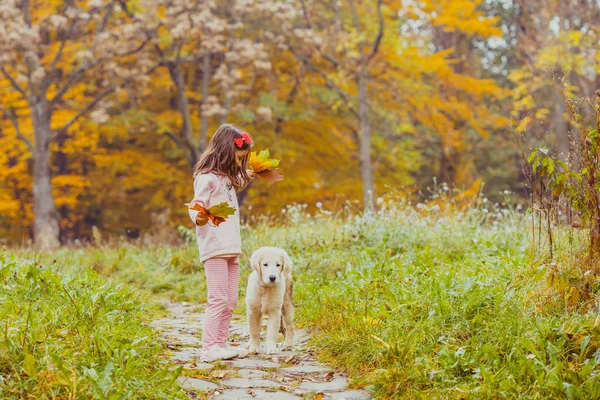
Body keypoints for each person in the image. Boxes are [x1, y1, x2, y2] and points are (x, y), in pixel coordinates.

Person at [188, 124, 254, 362]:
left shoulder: (227, 178)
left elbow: (243, 178)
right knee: (218, 299)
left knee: (231, 300)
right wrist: (200, 216)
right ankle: (209, 348)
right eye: (239, 157)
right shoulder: (206, 178)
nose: (240, 162)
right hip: (215, 247)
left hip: (231, 248)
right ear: (227, 150)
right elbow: (196, 206)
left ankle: (221, 344)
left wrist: (259, 171)